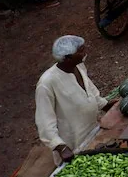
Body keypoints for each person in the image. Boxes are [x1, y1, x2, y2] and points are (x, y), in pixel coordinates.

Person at [35, 35, 110, 163]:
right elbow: (44, 121)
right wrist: (60, 146)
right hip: (72, 144)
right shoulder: (47, 83)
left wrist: (107, 104)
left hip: (93, 132)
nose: (85, 51)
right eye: (80, 50)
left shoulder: (79, 67)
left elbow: (89, 90)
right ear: (67, 57)